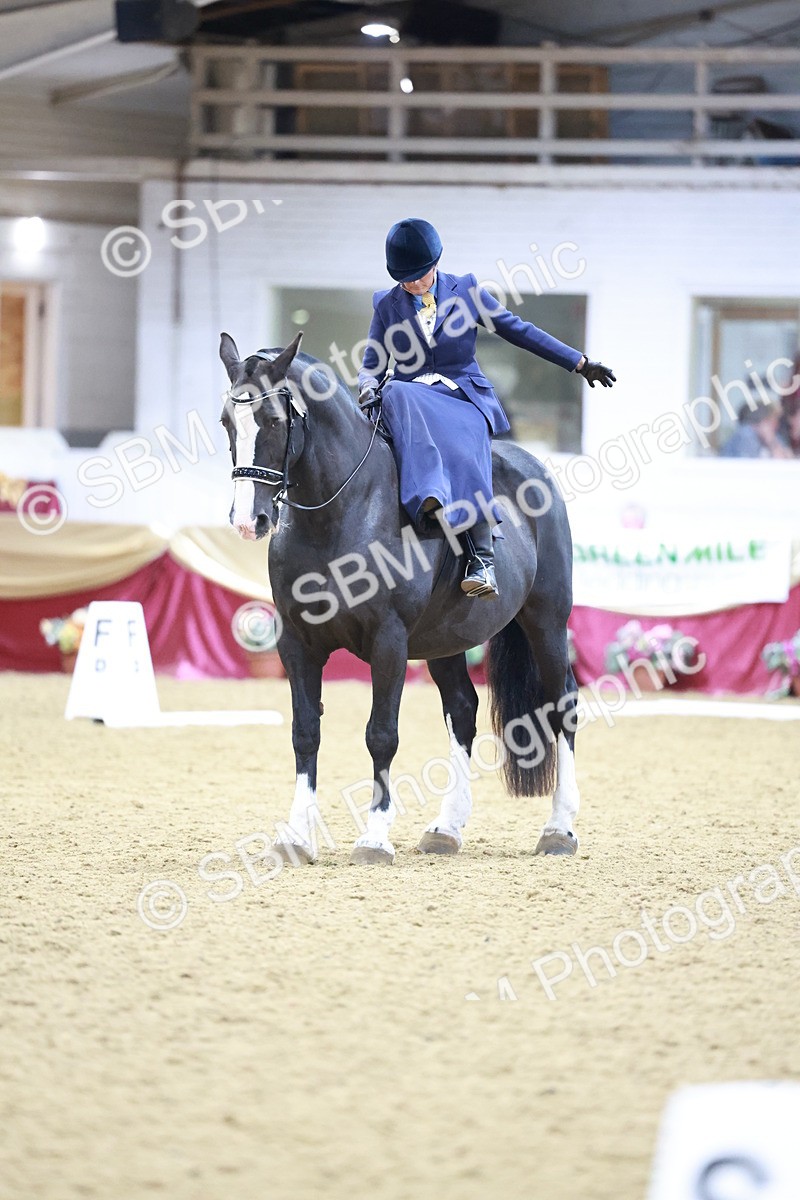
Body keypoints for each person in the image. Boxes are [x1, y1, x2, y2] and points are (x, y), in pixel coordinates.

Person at [358, 218, 615, 598]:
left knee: (424, 411)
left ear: (436, 263)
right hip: (410, 400)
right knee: (395, 389)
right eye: (404, 278)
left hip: (462, 396)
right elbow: (372, 361)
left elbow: (519, 330)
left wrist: (578, 362)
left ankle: (482, 554)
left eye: (419, 276)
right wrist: (366, 385)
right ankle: (427, 500)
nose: (412, 284)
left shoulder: (467, 291)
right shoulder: (386, 302)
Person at [720, 397, 791, 458]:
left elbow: (787, 459)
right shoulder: (746, 434)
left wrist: (772, 443)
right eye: (773, 420)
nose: (777, 425)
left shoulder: (772, 436)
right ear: (763, 421)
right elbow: (748, 468)